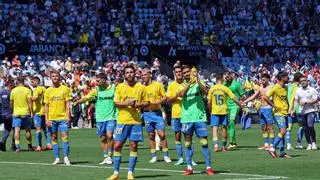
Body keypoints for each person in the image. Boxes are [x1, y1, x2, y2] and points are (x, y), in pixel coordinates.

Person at [107, 65, 149, 180]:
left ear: (134, 73)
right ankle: (116, 173)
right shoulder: (119, 87)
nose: (129, 74)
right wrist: (128, 103)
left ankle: (130, 173)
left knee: (134, 145)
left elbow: (147, 103)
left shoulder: (141, 87)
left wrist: (138, 104)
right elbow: (115, 103)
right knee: (117, 145)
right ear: (124, 74)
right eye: (127, 72)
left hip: (136, 122)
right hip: (122, 121)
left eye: (131, 72)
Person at [177, 65, 214, 176]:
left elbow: (207, 91)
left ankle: (208, 167)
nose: (187, 74)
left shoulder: (198, 84)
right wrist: (190, 83)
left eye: (188, 72)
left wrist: (197, 80)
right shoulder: (180, 85)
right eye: (185, 73)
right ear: (183, 75)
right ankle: (189, 168)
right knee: (188, 143)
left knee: (204, 142)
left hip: (200, 117)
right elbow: (182, 94)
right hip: (187, 118)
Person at [75, 73, 116, 165]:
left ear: (104, 80)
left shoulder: (113, 88)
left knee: (109, 135)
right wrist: (77, 102)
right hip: (100, 117)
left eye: (98, 81)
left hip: (111, 116)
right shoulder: (96, 90)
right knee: (103, 138)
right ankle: (105, 157)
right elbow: (86, 97)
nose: (96, 83)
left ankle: (110, 156)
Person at [167, 65, 197, 166]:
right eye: (177, 72)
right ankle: (180, 158)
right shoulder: (171, 85)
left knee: (188, 137)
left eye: (180, 71)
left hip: (186, 114)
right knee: (177, 136)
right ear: (174, 73)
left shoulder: (187, 83)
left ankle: (190, 158)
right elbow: (168, 100)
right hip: (175, 114)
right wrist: (177, 96)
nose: (179, 73)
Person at [141, 67, 172, 164]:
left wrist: (159, 101)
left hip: (157, 113)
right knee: (151, 135)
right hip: (147, 113)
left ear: (150, 74)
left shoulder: (157, 85)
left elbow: (165, 97)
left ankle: (166, 155)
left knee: (161, 134)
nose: (143, 77)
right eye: (142, 75)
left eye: (145, 75)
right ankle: (154, 156)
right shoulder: (141, 87)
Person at [208, 73, 242, 152]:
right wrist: (240, 105)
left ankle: (216, 146)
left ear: (216, 80)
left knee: (215, 129)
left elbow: (209, 102)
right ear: (222, 80)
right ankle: (223, 147)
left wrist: (210, 110)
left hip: (215, 111)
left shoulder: (212, 89)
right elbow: (234, 98)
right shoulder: (225, 88)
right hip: (224, 110)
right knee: (224, 128)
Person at [44, 70, 72, 165]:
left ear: (59, 77)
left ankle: (66, 157)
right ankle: (57, 158)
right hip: (52, 118)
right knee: (54, 137)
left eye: (57, 76)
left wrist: (68, 116)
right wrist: (46, 119)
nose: (55, 78)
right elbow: (46, 106)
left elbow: (67, 103)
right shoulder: (47, 91)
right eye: (53, 76)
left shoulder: (65, 89)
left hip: (63, 118)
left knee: (65, 136)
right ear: (50, 78)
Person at [243, 74, 275, 150]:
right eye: (261, 80)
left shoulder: (271, 88)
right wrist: (244, 101)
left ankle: (272, 144)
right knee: (263, 127)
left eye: (263, 80)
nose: (262, 81)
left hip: (269, 108)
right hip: (262, 109)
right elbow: (253, 96)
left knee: (270, 127)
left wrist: (274, 107)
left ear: (268, 79)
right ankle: (266, 144)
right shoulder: (260, 88)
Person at [263, 71, 291, 158]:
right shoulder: (275, 88)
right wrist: (274, 105)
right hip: (278, 113)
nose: (288, 78)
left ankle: (282, 152)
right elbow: (265, 97)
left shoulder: (285, 87)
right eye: (286, 77)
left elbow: (285, 99)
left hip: (285, 112)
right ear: (282, 78)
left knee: (282, 132)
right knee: (283, 131)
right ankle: (272, 147)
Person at [291, 76, 318, 150]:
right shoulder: (298, 90)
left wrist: (306, 102)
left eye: (304, 80)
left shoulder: (312, 89)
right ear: (300, 82)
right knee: (305, 128)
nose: (303, 82)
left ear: (307, 81)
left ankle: (313, 142)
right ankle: (309, 143)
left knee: (310, 126)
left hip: (311, 110)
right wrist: (293, 109)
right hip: (302, 111)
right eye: (301, 81)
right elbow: (296, 100)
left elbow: (316, 99)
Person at [10, 76, 33, 152]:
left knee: (17, 131)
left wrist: (11, 111)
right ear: (23, 81)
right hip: (25, 112)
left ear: (17, 81)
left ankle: (17, 147)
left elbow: (11, 102)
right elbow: (30, 102)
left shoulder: (13, 90)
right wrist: (31, 112)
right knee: (28, 130)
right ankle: (29, 146)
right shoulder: (27, 90)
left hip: (16, 113)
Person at [224, 72, 245, 149]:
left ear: (231, 76)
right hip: (226, 106)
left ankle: (231, 143)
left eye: (228, 76)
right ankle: (234, 142)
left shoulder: (237, 84)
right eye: (225, 77)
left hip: (235, 106)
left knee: (232, 121)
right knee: (229, 124)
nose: (227, 78)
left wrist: (243, 105)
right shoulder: (224, 84)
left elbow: (242, 95)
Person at [31, 76, 52, 152]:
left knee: (38, 129)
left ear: (36, 82)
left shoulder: (37, 89)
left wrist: (30, 98)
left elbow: (35, 98)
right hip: (44, 111)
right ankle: (49, 144)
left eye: (32, 82)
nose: (31, 83)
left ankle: (39, 146)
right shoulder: (44, 88)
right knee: (46, 129)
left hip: (38, 112)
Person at [287, 73, 303, 149]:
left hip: (290, 109)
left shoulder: (289, 86)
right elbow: (293, 98)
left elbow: (289, 98)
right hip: (297, 109)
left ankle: (288, 144)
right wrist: (292, 109)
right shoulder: (297, 88)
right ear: (299, 79)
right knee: (301, 126)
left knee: (289, 127)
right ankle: (299, 144)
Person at [0, 82, 15, 151]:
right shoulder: (10, 93)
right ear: (10, 85)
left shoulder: (1, 92)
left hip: (3, 113)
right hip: (10, 113)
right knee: (15, 129)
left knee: (7, 129)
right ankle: (13, 145)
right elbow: (12, 103)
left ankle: (2, 142)